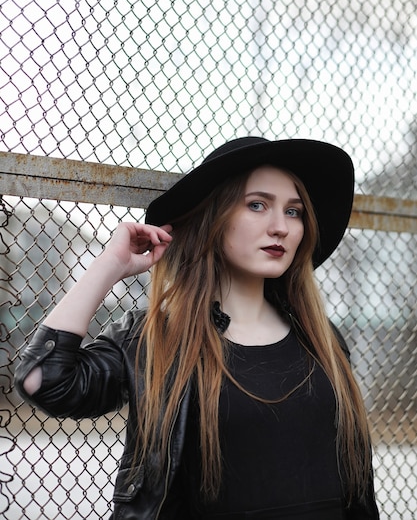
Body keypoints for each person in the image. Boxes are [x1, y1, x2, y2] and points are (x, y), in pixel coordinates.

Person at [15, 136, 380, 520]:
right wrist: (109, 266)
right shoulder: (158, 339)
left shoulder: (323, 341)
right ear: (214, 217)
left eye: (294, 211)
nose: (281, 228)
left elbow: (355, 489)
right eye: (257, 205)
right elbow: (43, 380)